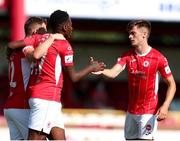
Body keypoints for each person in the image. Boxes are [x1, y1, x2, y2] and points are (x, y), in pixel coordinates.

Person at [9, 10, 106, 140]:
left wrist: (9, 52)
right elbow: (74, 77)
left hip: (42, 98)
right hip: (47, 98)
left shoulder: (39, 38)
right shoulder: (65, 45)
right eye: (70, 24)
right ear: (65, 27)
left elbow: (13, 44)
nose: (72, 27)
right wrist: (91, 68)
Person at [93, 20, 176, 140]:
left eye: (133, 33)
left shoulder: (159, 58)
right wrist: (101, 70)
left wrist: (165, 106)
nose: (129, 36)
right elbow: (113, 72)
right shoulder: (127, 55)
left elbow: (172, 84)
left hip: (149, 111)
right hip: (131, 111)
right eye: (129, 34)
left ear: (144, 34)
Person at [3, 17, 47, 140]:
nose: (45, 35)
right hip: (22, 105)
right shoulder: (28, 47)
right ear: (34, 33)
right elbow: (33, 56)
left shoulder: (15, 49)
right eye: (43, 31)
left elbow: (11, 45)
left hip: (11, 106)